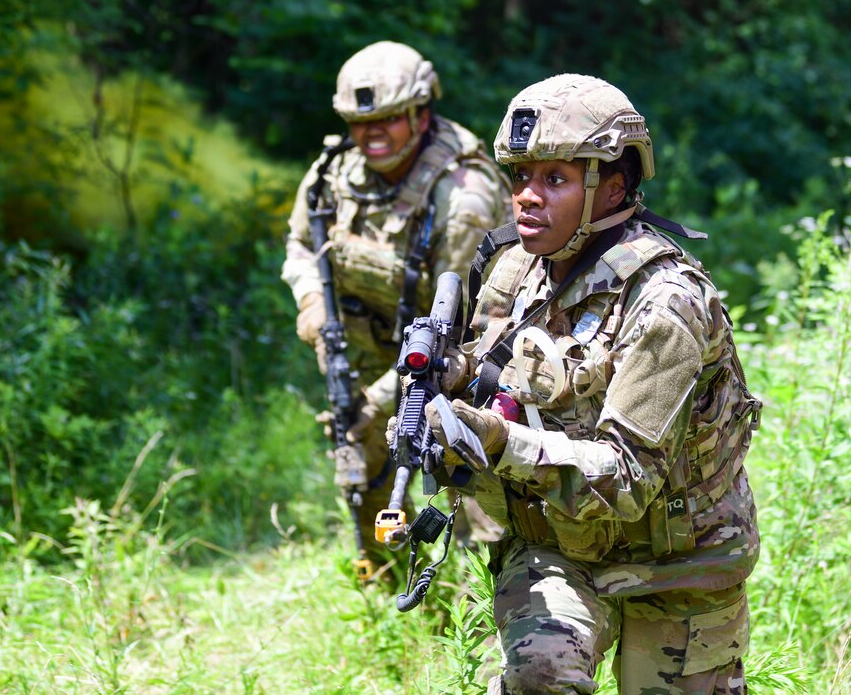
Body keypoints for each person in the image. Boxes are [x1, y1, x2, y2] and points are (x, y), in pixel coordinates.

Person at [422, 73, 761, 693]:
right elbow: (489, 369)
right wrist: (446, 392)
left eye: (555, 178)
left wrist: (498, 442)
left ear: (614, 186)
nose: (527, 197)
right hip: (558, 540)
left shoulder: (666, 304)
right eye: (520, 176)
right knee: (540, 676)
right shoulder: (517, 269)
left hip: (679, 562)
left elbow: (628, 478)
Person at [281, 40, 512, 580]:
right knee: (367, 491)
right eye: (361, 123)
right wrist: (312, 298)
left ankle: (481, 632)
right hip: (366, 358)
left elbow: (456, 325)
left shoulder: (462, 196)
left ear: (420, 112)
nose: (372, 135)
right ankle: (394, 617)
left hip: (457, 369)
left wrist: (379, 401)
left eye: (388, 120)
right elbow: (298, 245)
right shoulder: (333, 173)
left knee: (478, 509)